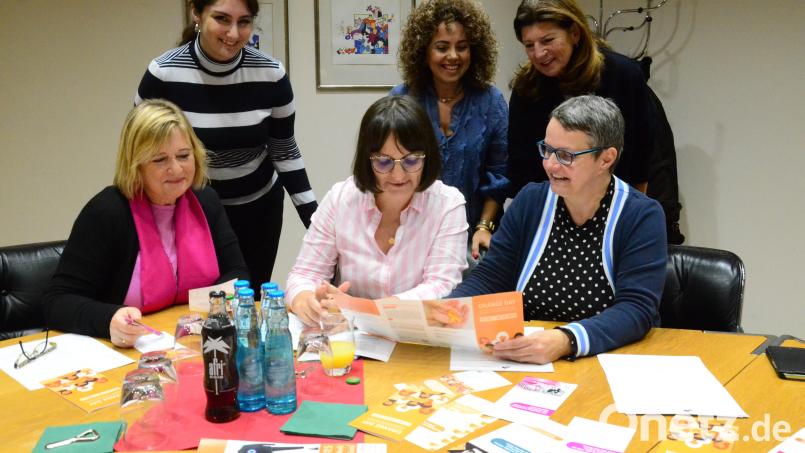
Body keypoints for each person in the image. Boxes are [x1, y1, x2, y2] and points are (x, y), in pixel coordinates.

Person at [451, 95, 666, 364]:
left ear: (606, 159)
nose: (551, 165)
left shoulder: (640, 215)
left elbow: (636, 309)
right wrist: (447, 312)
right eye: (547, 150)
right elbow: (492, 279)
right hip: (529, 359)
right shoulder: (531, 201)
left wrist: (566, 339)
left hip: (608, 360)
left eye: (566, 156)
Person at [135, 0, 316, 286]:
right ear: (197, 12)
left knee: (249, 302)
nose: (233, 34)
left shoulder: (271, 75)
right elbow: (141, 154)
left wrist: (315, 223)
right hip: (190, 212)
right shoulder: (164, 74)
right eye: (222, 19)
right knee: (197, 308)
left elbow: (284, 149)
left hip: (258, 210)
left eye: (244, 22)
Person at [44, 100, 248, 348]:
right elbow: (57, 301)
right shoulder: (106, 212)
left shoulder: (206, 201)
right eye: (160, 160)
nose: (176, 169)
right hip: (127, 351)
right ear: (136, 165)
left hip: (194, 344)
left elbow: (238, 275)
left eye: (184, 156)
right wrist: (109, 318)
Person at [286, 96, 468, 326]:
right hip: (351, 337)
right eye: (384, 162)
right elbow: (304, 274)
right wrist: (305, 299)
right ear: (367, 160)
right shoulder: (341, 198)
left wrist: (368, 311)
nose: (399, 175)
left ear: (427, 157)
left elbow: (442, 286)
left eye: (411, 161)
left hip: (415, 338)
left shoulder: (448, 204)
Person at [392, 0, 509, 260]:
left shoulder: (491, 101)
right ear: (424, 51)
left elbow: (498, 177)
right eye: (442, 47)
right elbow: (389, 172)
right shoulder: (402, 100)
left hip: (474, 240)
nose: (453, 56)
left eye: (462, 47)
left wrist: (484, 228)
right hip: (412, 238)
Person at [507, 0, 653, 197]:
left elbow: (641, 159)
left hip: (614, 203)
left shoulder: (624, 76)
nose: (539, 53)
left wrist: (634, 211)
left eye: (548, 40)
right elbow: (521, 169)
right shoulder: (526, 89)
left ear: (574, 33)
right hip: (550, 205)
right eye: (529, 45)